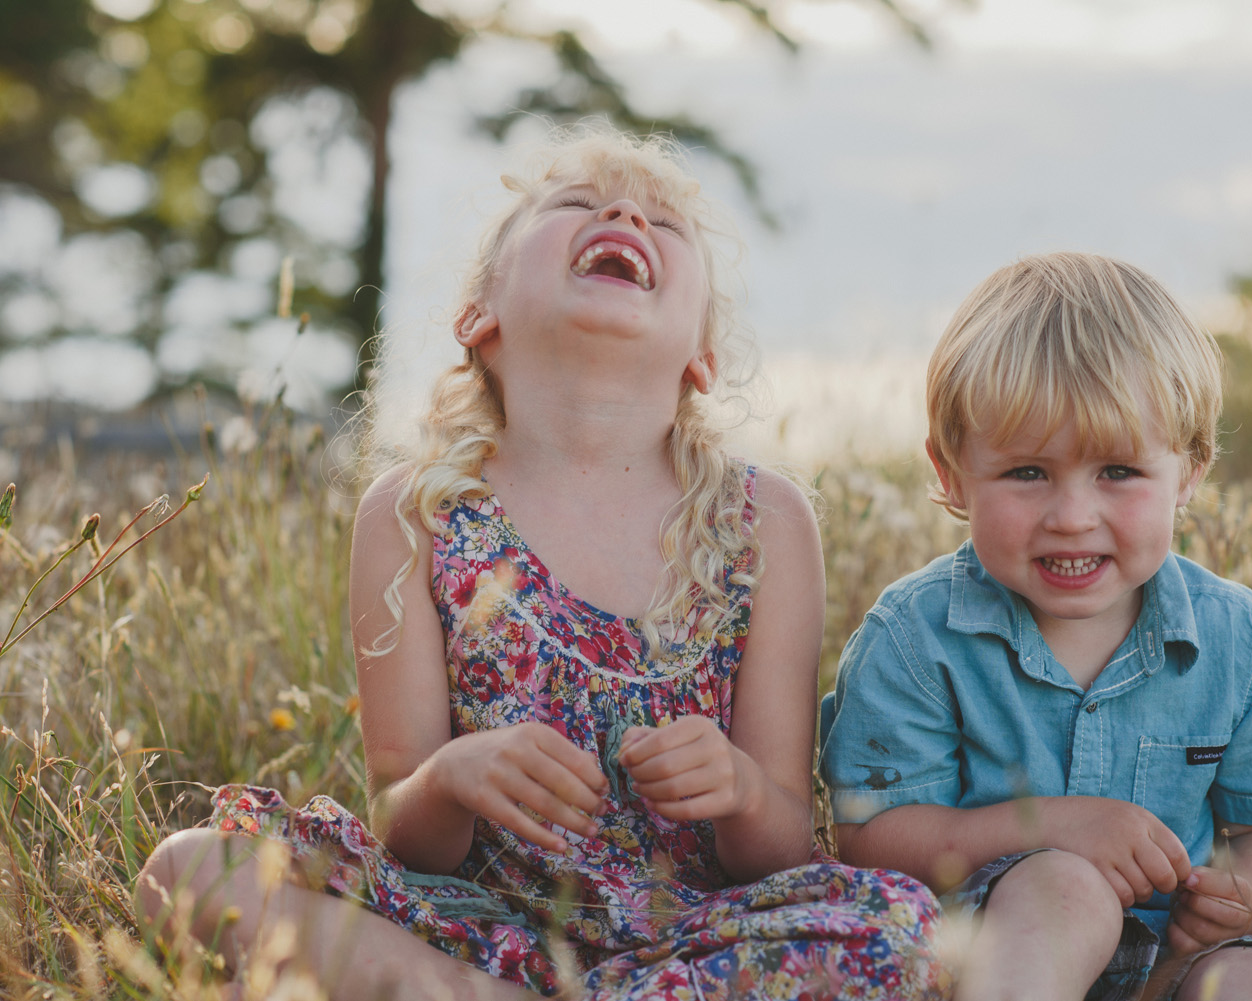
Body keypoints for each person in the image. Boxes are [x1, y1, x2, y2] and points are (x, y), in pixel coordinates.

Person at [136, 125, 946, 1001]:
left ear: (701, 357)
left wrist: (741, 787)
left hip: (700, 942)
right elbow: (405, 828)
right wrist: (452, 776)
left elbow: (785, 840)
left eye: (664, 225)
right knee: (189, 871)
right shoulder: (418, 515)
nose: (626, 212)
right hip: (479, 929)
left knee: (901, 930)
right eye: (573, 205)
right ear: (480, 316)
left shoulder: (762, 523)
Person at [819, 252, 1252, 1001]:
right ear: (952, 473)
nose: (1071, 516)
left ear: (1190, 469)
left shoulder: (1244, 643)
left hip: (1170, 960)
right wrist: (1055, 825)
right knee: (1067, 885)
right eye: (1028, 472)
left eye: (1118, 472)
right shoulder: (915, 636)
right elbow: (872, 837)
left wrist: (1240, 895)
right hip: (982, 951)